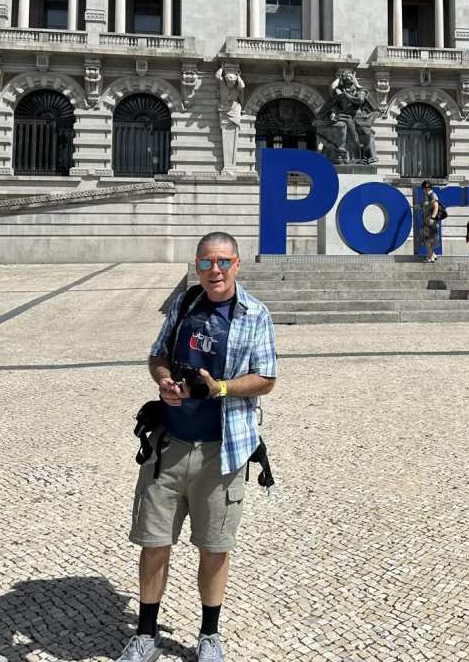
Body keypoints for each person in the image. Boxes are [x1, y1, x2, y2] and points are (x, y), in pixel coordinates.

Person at [116, 232, 277, 662]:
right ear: (197, 265)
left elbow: (266, 378)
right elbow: (157, 355)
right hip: (168, 446)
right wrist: (164, 381)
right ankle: (146, 635)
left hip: (221, 451)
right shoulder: (186, 305)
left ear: (237, 264)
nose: (215, 271)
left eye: (223, 262)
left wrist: (219, 387)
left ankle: (209, 635)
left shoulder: (255, 314)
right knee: (154, 542)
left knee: (214, 546)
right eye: (206, 263)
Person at [420, 180, 440, 262]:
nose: (423, 190)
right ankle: (433, 255)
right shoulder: (427, 195)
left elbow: (436, 207)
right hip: (427, 221)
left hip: (430, 222)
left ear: (426, 188)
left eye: (423, 188)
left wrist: (432, 218)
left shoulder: (432, 195)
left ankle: (429, 257)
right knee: (427, 238)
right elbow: (427, 205)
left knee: (429, 239)